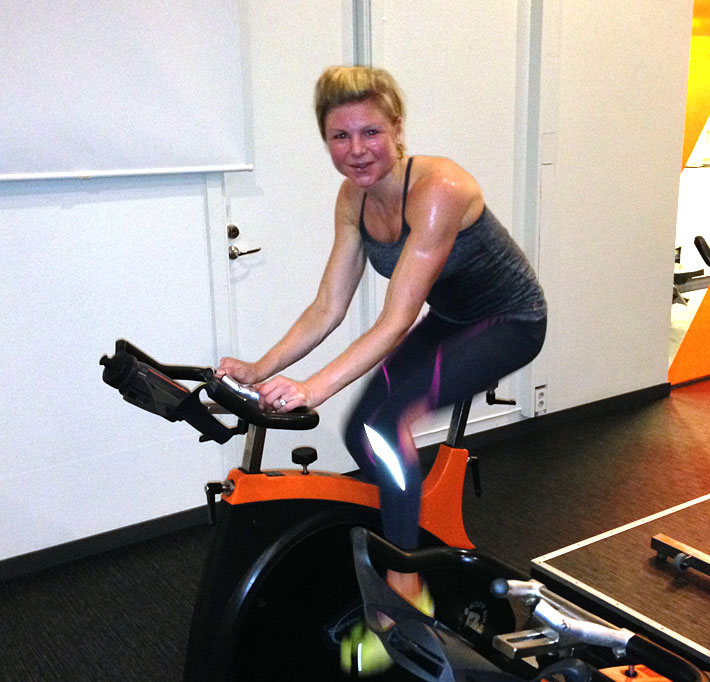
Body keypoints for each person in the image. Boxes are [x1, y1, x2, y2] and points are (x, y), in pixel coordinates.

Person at [216, 65, 546, 674]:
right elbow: (328, 306)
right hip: (453, 321)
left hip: (511, 322)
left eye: (370, 132)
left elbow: (394, 322)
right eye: (339, 137)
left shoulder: (440, 189)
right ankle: (413, 526)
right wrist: (260, 369)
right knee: (361, 432)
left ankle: (407, 594)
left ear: (397, 128)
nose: (357, 150)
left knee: (384, 427)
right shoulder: (353, 200)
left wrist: (311, 387)